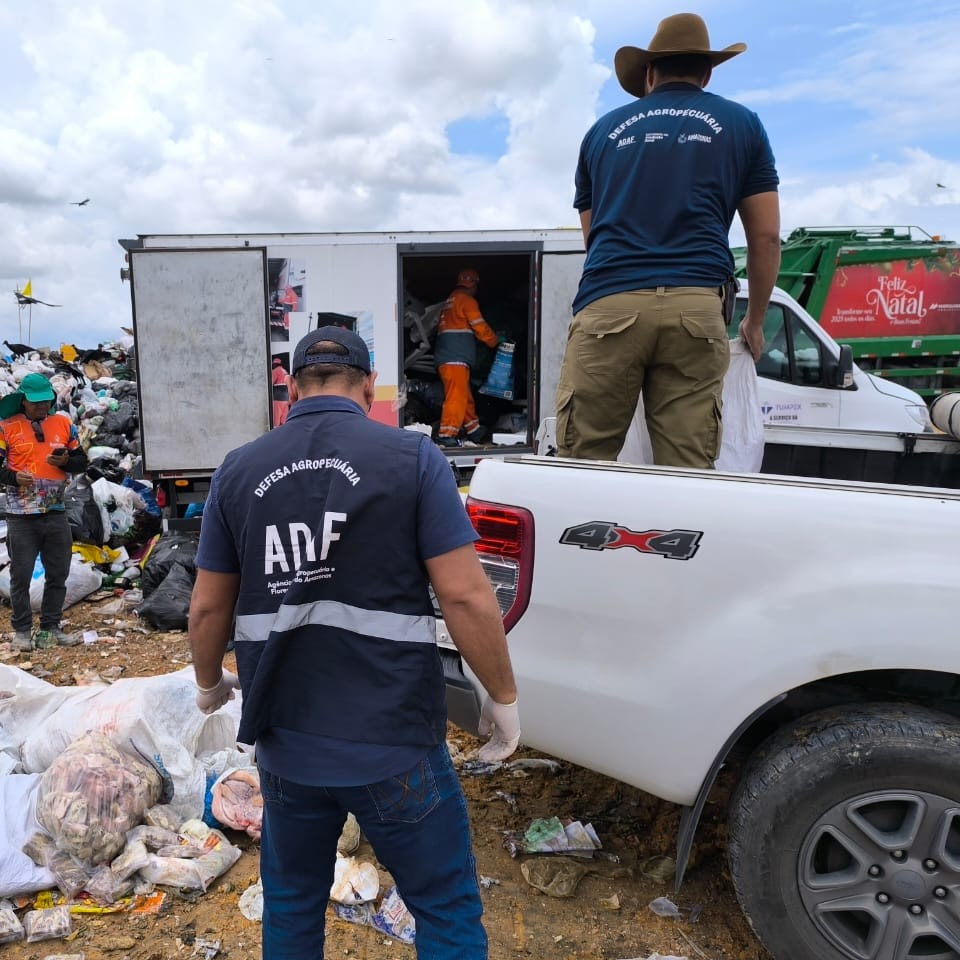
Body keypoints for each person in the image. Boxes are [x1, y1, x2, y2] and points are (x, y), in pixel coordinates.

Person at [187, 326, 521, 959]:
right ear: (369, 386)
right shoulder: (413, 459)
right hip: (393, 742)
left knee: (291, 902)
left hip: (287, 747)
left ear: (289, 386)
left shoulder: (240, 470)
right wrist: (501, 697)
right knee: (444, 906)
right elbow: (467, 596)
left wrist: (208, 684)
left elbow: (208, 605)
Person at [556, 12, 781, 468]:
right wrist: (754, 321)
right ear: (708, 72)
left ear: (649, 74)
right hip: (696, 309)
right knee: (686, 471)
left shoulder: (601, 134)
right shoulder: (742, 124)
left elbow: (593, 238)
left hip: (609, 304)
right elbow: (766, 235)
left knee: (582, 463)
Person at [0, 373, 88, 651]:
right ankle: (22, 631)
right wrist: (13, 477)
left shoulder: (63, 424)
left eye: (46, 402)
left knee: (58, 573)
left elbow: (82, 462)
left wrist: (67, 460)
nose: (42, 408)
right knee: (21, 575)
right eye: (36, 403)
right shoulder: (6, 428)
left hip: (55, 512)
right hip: (21, 517)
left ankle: (51, 627)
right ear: (23, 401)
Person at [436, 268, 500, 447]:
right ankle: (446, 434)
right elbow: (480, 327)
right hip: (456, 357)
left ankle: (474, 429)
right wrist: (494, 341)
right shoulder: (467, 301)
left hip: (447, 357)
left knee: (463, 395)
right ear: (474, 285)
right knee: (456, 396)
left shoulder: (451, 299)